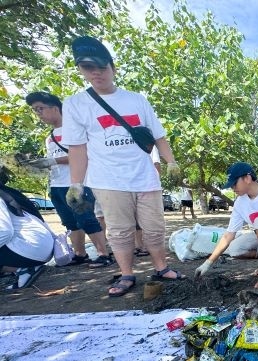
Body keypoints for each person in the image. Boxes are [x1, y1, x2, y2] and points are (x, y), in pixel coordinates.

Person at [61, 36, 184, 297]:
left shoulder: (137, 100)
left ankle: (161, 267)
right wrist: (76, 182)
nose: (96, 73)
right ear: (81, 70)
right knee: (119, 231)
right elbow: (77, 148)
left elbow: (159, 135)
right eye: (88, 68)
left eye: (102, 68)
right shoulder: (75, 104)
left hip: (145, 176)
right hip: (108, 179)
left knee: (154, 227)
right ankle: (127, 273)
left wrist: (170, 162)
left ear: (113, 68)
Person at [25, 91, 112, 268]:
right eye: (35, 110)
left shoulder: (75, 130)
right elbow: (55, 160)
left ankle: (104, 254)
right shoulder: (49, 137)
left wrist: (53, 160)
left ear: (55, 108)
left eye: (40, 109)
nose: (38, 114)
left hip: (76, 183)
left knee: (86, 218)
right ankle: (80, 254)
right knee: (69, 222)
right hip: (56, 184)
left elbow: (83, 155)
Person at [194, 163, 258, 289]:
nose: (232, 188)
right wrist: (208, 262)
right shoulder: (239, 203)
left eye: (234, 183)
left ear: (247, 178)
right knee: (234, 249)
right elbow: (228, 235)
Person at [1, 183, 53, 291]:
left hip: (31, 248)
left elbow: (5, 232)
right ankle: (22, 269)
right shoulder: (6, 192)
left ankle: (23, 269)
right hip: (41, 247)